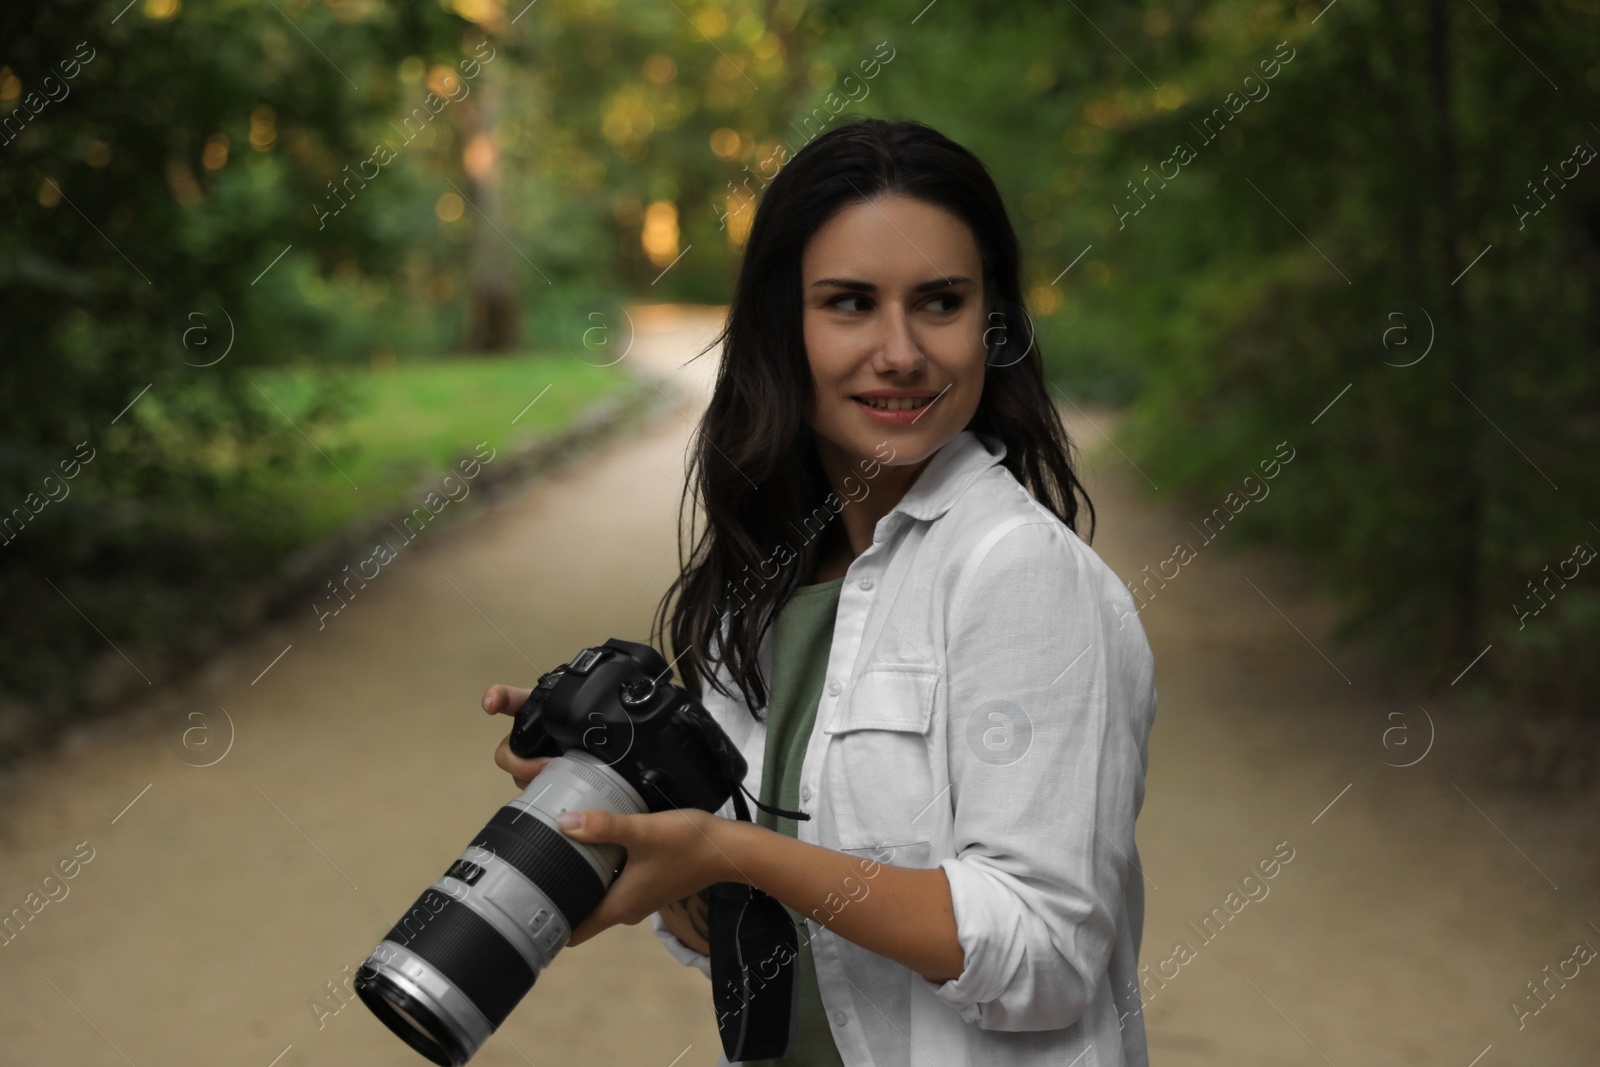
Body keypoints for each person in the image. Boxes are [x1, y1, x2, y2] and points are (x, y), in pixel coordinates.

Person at [481, 117, 1158, 1067]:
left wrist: (733, 852)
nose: (901, 351)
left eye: (940, 302)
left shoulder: (1019, 574)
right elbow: (778, 945)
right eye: (849, 303)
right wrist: (622, 826)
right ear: (782, 328)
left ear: (990, 322)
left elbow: (1044, 953)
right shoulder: (764, 591)